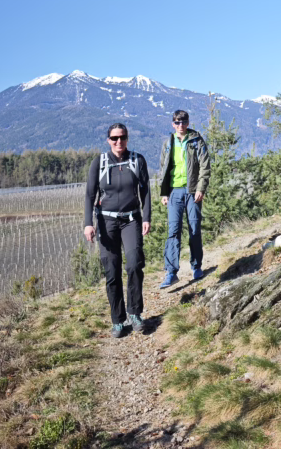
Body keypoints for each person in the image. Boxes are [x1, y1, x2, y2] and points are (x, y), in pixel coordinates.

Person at [84, 123, 151, 337]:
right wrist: (88, 223)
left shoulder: (137, 160)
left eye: (122, 137)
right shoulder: (99, 162)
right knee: (112, 272)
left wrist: (146, 217)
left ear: (127, 138)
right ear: (108, 140)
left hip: (131, 220)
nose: (118, 142)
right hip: (107, 222)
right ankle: (118, 320)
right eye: (114, 138)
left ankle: (135, 313)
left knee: (134, 265)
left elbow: (146, 191)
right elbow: (89, 195)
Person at [158, 110, 211, 287]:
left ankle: (196, 267)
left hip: (192, 191)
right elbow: (163, 168)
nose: (180, 125)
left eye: (183, 122)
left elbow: (205, 166)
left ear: (188, 122)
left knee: (194, 229)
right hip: (174, 192)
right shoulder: (168, 143)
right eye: (177, 122)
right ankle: (171, 272)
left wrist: (200, 188)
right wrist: (164, 192)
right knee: (173, 231)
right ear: (173, 124)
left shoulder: (196, 141)